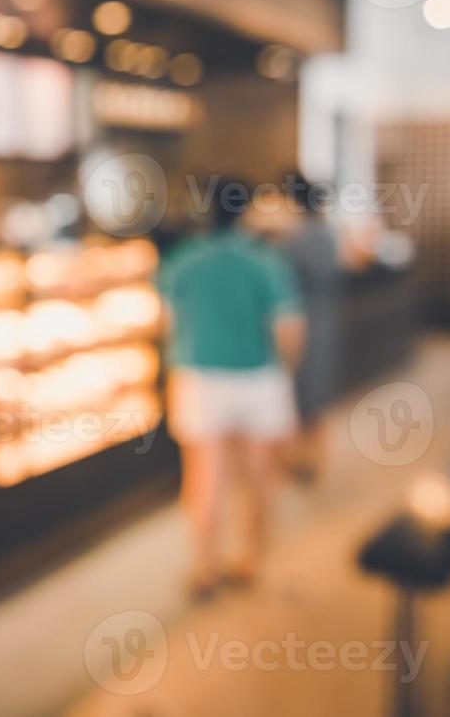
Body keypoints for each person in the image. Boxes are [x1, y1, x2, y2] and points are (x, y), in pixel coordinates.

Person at [159, 176, 306, 601]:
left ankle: (205, 566)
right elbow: (290, 330)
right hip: (258, 378)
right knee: (259, 474)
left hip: (199, 378)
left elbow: (168, 323)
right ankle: (250, 560)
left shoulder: (181, 260)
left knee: (205, 476)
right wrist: (287, 374)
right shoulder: (267, 262)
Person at [279, 174, 343, 484]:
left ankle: (301, 459)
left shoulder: (296, 238)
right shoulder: (326, 233)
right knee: (316, 392)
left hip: (301, 320)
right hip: (323, 318)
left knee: (299, 391)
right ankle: (313, 458)